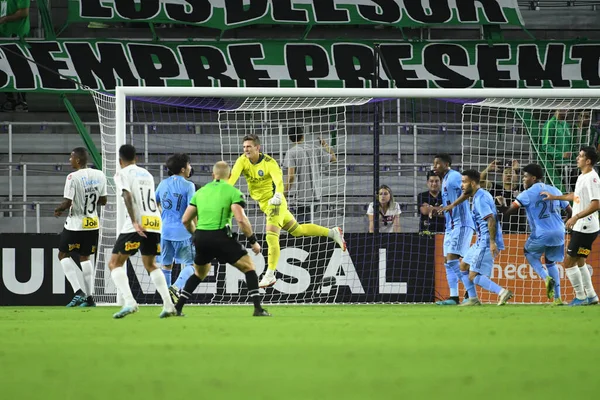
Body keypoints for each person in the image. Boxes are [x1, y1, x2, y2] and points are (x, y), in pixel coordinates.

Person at [228, 134, 346, 289]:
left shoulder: (270, 162)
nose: (246, 150)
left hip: (275, 203)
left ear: (257, 147)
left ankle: (269, 275)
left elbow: (279, 181)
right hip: (264, 204)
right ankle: (332, 233)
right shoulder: (242, 160)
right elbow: (232, 179)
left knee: (271, 236)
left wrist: (278, 194)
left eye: (249, 147)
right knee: (297, 230)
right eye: (244, 147)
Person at [175, 161, 270, 317]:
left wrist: (196, 234)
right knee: (249, 267)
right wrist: (253, 241)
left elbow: (185, 219)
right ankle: (258, 309)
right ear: (230, 175)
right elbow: (240, 219)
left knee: (199, 274)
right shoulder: (233, 192)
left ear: (213, 175)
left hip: (201, 237)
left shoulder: (200, 192)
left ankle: (178, 308)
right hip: (221, 237)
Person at [108, 144, 176, 319]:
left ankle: (130, 302)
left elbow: (127, 195)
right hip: (154, 221)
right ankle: (169, 305)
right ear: (136, 158)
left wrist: (134, 222)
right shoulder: (146, 173)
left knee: (114, 263)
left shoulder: (121, 174)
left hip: (137, 224)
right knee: (151, 264)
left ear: (119, 160)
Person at [503, 164, 572, 305]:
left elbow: (511, 210)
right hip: (559, 232)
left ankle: (546, 278)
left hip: (541, 233)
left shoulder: (527, 194)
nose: (523, 179)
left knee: (528, 252)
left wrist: (503, 207)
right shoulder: (555, 189)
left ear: (533, 178)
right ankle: (558, 298)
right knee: (550, 262)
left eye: (525, 177)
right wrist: (563, 222)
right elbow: (570, 211)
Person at [542, 146, 600, 306]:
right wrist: (555, 197)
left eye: (580, 156)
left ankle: (580, 297)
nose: (577, 158)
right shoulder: (583, 176)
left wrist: (575, 217)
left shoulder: (592, 179)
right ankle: (592, 296)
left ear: (588, 161)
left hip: (585, 229)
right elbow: (576, 196)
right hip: (583, 228)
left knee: (568, 263)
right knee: (580, 259)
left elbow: (596, 204)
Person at [54, 147, 107, 308]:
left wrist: (59, 209)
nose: (69, 160)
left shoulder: (72, 177)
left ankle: (78, 292)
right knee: (85, 257)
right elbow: (103, 201)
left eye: (71, 157)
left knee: (63, 254)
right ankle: (90, 298)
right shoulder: (100, 174)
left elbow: (68, 202)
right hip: (92, 224)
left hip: (76, 224)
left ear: (78, 160)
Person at [456, 170, 513, 306]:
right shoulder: (480, 195)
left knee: (473, 276)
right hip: (480, 240)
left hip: (486, 241)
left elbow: (491, 219)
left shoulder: (481, 198)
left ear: (473, 183)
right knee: (463, 265)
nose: (462, 185)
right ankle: (473, 299)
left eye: (464, 182)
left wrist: (492, 242)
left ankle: (502, 292)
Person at [431, 154, 475, 305]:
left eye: (437, 164)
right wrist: (441, 209)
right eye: (433, 164)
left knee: (452, 259)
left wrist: (452, 205)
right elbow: (450, 202)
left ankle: (471, 293)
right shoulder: (444, 180)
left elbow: (468, 191)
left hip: (462, 224)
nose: (434, 166)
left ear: (447, 164)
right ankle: (454, 297)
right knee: (446, 261)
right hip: (450, 226)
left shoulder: (455, 176)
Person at [155, 153, 197, 303]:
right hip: (182, 231)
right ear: (183, 169)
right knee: (193, 265)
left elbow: (154, 203)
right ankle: (176, 287)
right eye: (189, 165)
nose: (190, 167)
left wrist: (163, 215)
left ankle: (167, 299)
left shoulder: (162, 184)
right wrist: (196, 230)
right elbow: (191, 210)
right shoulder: (188, 185)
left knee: (166, 265)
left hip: (164, 231)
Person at [283, 127, 336, 223]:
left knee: (302, 229)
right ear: (303, 137)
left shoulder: (291, 152)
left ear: (290, 138)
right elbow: (333, 158)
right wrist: (324, 144)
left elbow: (291, 177)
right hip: (316, 195)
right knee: (308, 225)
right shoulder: (314, 148)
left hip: (301, 197)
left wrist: (284, 194)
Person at [480, 159, 526, 232]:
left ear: (517, 176)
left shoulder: (522, 189)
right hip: (499, 232)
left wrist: (520, 170)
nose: (508, 175)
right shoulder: (496, 189)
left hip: (519, 232)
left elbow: (534, 182)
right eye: (506, 173)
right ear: (502, 176)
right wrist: (488, 169)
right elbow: (480, 182)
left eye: (511, 172)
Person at [0, 0, 30, 112]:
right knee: (3, 67)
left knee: (18, 68)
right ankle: (9, 100)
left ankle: (21, 101)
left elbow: (23, 12)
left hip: (17, 36)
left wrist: (4, 19)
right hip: (3, 35)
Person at [542, 110, 574, 192]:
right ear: (557, 109)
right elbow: (546, 146)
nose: (567, 111)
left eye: (568, 109)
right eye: (564, 109)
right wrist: (561, 154)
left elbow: (570, 144)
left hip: (568, 164)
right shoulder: (550, 124)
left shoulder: (566, 124)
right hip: (555, 165)